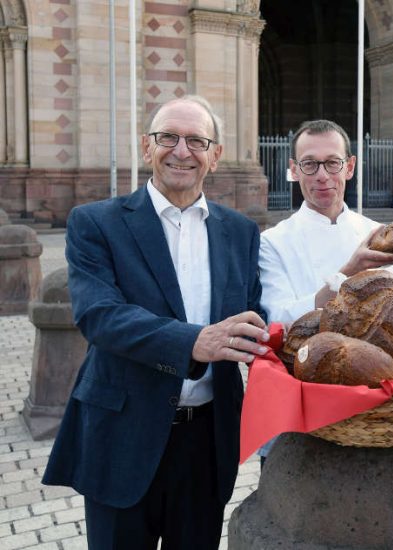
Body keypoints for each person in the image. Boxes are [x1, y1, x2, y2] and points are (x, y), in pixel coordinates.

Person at [42, 96, 270, 549]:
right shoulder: (95, 223)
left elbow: (253, 320)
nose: (181, 151)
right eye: (168, 137)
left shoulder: (240, 231)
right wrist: (194, 342)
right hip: (121, 436)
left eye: (196, 140)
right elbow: (100, 316)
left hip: (207, 441)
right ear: (147, 147)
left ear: (216, 155)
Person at [257, 119, 393, 464]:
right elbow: (279, 319)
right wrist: (346, 275)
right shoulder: (272, 242)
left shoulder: (377, 233)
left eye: (332, 163)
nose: (322, 175)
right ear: (294, 170)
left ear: (349, 167)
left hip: (373, 408)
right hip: (301, 403)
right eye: (309, 164)